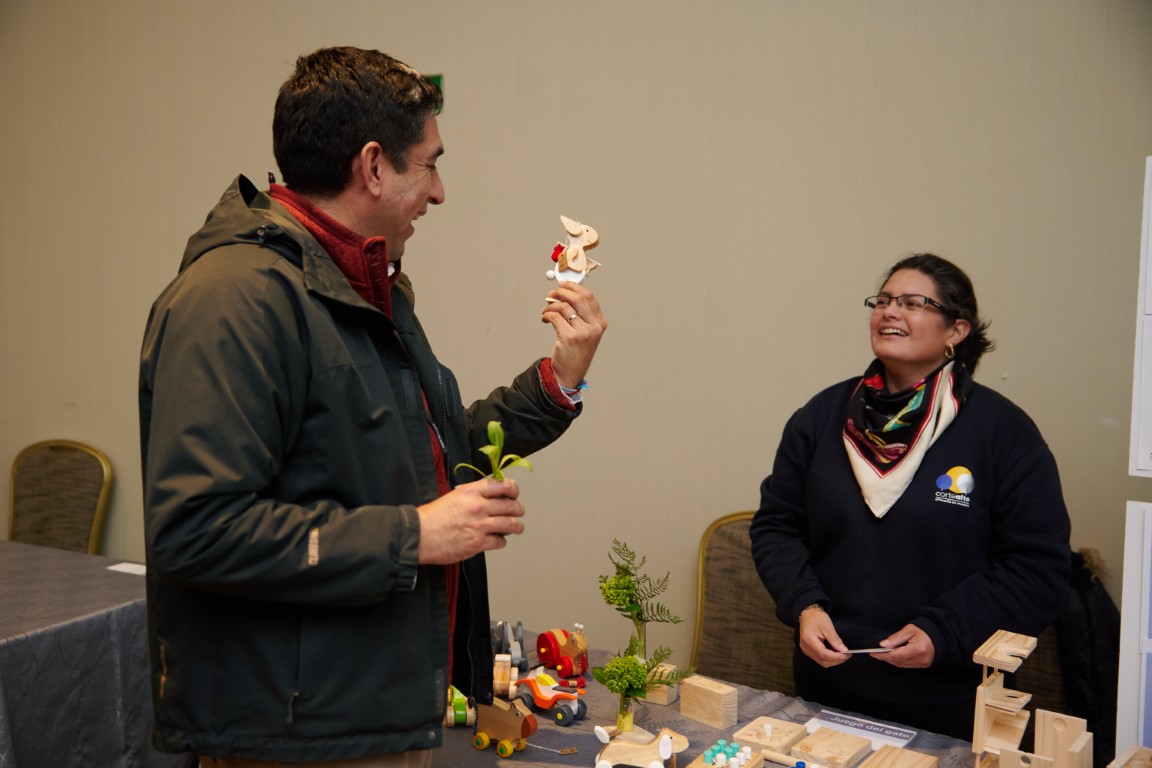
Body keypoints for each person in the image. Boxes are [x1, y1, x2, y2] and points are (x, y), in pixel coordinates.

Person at [138, 47, 606, 767]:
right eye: (430, 165)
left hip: (375, 710)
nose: (439, 192)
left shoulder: (367, 283)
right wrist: (413, 535)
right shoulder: (233, 300)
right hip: (296, 736)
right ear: (374, 167)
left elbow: (433, 454)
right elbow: (198, 530)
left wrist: (559, 381)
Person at [749, 253, 1069, 739]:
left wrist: (944, 632)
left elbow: (1038, 569)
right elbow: (777, 527)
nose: (890, 312)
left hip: (951, 699)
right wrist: (804, 605)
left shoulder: (1003, 431)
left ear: (956, 331)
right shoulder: (821, 416)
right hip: (828, 686)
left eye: (913, 303)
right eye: (883, 301)